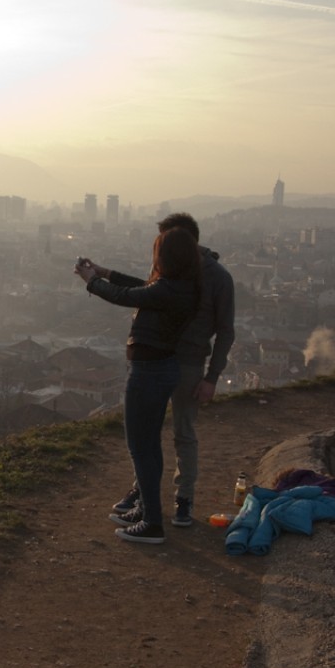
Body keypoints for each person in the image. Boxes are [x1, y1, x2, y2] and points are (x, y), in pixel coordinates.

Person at [89, 213, 235, 528]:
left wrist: (211, 377)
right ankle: (143, 494)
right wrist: (107, 273)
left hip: (187, 363)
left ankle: (182, 500)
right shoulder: (174, 269)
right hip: (160, 359)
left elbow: (226, 331)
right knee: (148, 434)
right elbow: (148, 290)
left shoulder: (217, 277)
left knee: (181, 433)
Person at [76, 227, 201, 544]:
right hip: (160, 369)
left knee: (140, 447)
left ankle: (153, 523)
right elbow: (142, 288)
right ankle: (147, 510)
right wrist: (104, 273)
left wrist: (92, 281)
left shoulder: (169, 290)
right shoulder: (181, 286)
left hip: (149, 373)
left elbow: (127, 296)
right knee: (150, 446)